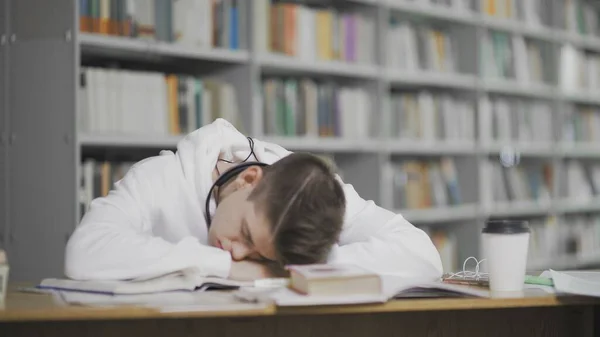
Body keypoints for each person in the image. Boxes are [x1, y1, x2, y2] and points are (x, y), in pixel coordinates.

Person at [65, 118, 443, 281]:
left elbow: (422, 255)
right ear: (249, 179)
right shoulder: (161, 177)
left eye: (261, 254)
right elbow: (85, 251)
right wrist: (229, 269)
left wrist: (303, 269)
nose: (238, 251)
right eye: (245, 232)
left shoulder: (311, 196)